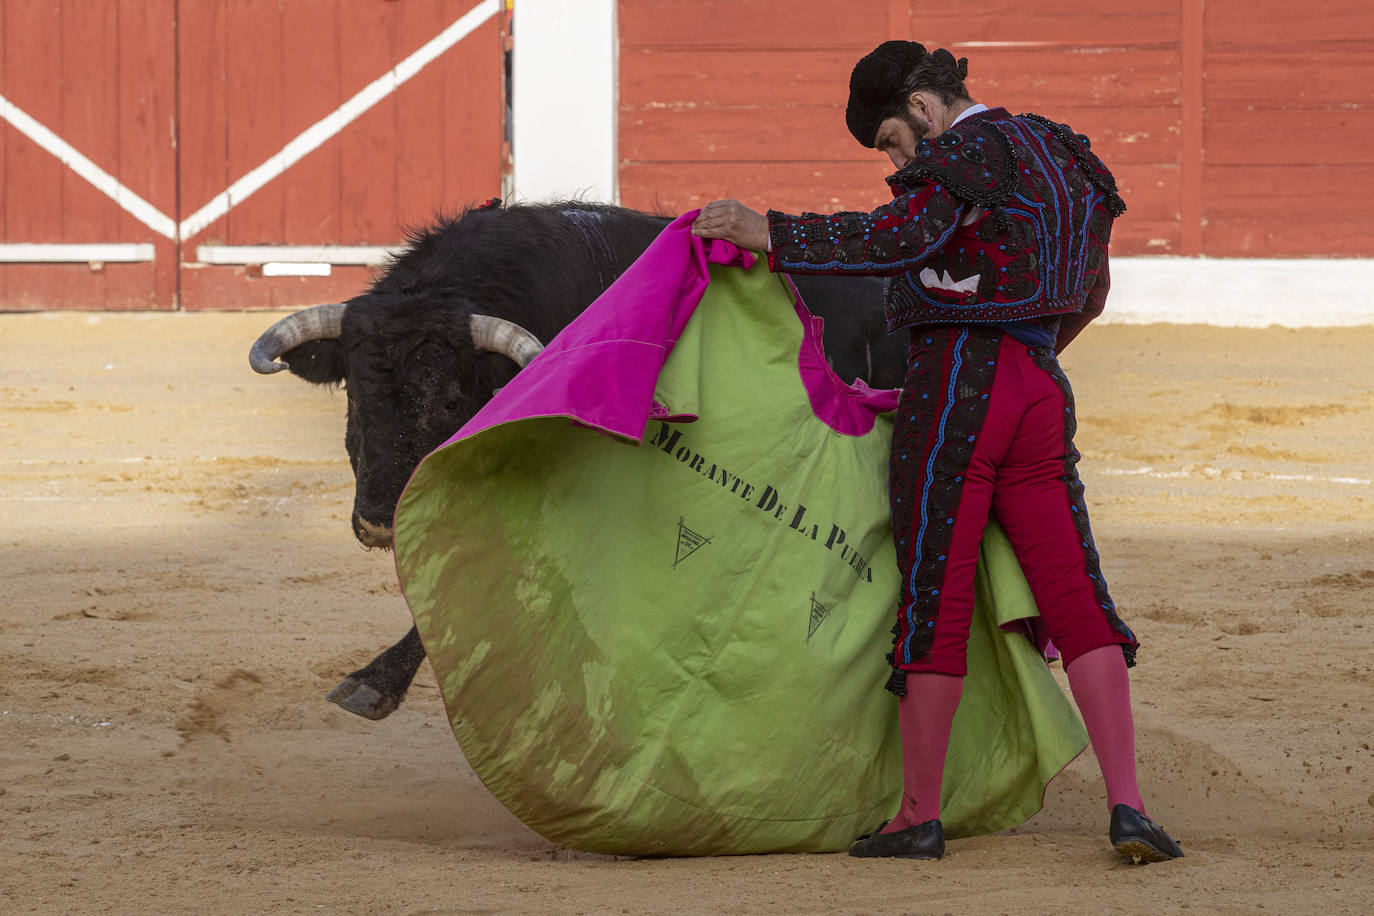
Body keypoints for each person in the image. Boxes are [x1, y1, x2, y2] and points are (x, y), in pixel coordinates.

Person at [690, 40, 1183, 864]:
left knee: (934, 593)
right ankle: (1129, 807)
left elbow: (896, 240)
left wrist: (767, 230)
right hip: (1040, 383)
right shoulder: (1064, 154)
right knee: (1074, 588)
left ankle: (917, 815)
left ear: (922, 107)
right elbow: (1092, 289)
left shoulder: (961, 152)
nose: (895, 157)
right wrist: (1034, 342)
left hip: (957, 383)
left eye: (889, 141)